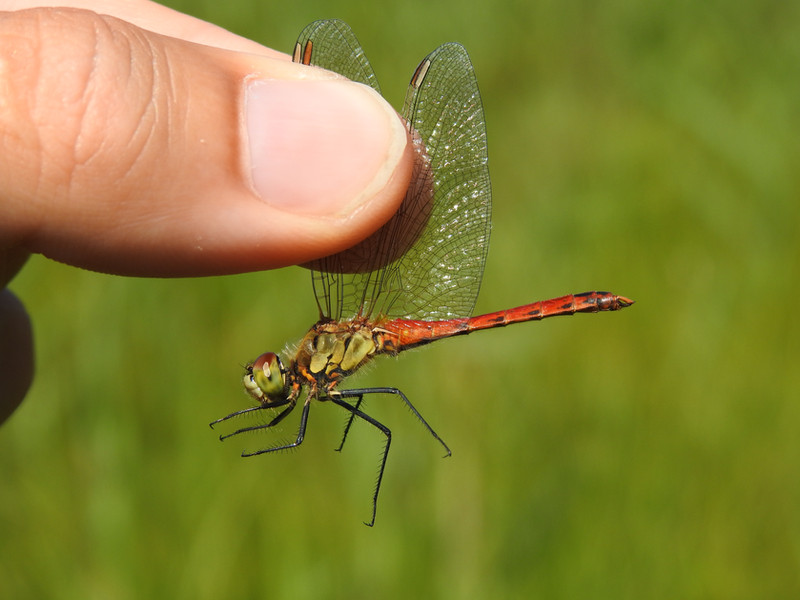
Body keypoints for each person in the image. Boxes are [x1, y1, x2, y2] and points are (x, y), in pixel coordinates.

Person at [0, 1, 414, 424]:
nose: (261, 379)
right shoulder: (311, 372)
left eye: (261, 377)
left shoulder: (315, 369)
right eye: (264, 375)